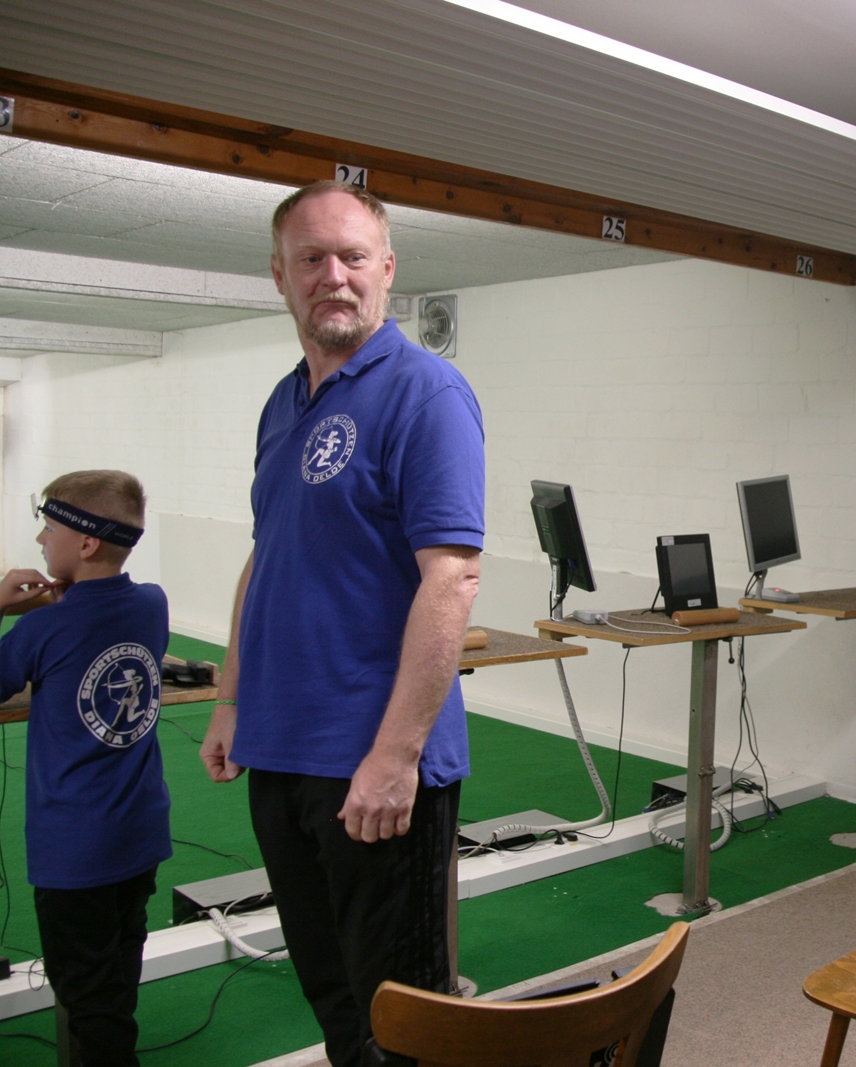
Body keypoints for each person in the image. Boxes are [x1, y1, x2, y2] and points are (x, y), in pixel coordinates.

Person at [198, 181, 485, 1067]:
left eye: (353, 256)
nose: (334, 275)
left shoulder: (426, 392)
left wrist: (395, 756)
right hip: (281, 753)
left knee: (403, 1019)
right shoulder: (283, 402)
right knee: (333, 998)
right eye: (311, 258)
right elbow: (267, 555)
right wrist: (230, 697)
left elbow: (452, 578)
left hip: (373, 765)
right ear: (279, 275)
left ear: (386, 268)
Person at [0, 470, 169, 1067]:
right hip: (138, 834)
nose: (40, 540)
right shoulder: (153, 603)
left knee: (88, 1002)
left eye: (48, 528)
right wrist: (65, 598)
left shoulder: (43, 627)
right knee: (116, 984)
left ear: (85, 542)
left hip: (75, 850)